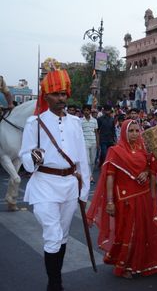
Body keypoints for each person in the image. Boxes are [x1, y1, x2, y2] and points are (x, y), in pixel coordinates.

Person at [18, 58, 91, 291]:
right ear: (46, 96)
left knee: (62, 236)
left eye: (64, 94)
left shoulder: (76, 123)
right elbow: (27, 162)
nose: (62, 99)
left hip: (70, 185)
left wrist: (84, 191)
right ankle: (55, 284)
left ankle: (55, 277)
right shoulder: (34, 123)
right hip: (44, 186)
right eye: (56, 94)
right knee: (52, 234)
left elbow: (82, 160)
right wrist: (37, 156)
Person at [87, 119, 157, 278]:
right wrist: (109, 201)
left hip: (143, 196)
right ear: (123, 132)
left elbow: (150, 169)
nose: (135, 134)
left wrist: (145, 172)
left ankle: (143, 263)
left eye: (137, 131)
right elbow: (109, 177)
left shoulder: (143, 150)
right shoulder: (115, 151)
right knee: (129, 232)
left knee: (145, 230)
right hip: (126, 199)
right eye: (131, 131)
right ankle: (125, 265)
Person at [81, 104, 99, 184]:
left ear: (90, 111)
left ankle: (90, 174)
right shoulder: (80, 121)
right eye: (85, 110)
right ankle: (90, 177)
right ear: (83, 111)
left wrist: (98, 143)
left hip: (93, 142)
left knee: (92, 161)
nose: (86, 112)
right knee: (87, 161)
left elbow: (96, 133)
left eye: (87, 110)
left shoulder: (94, 120)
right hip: (85, 142)